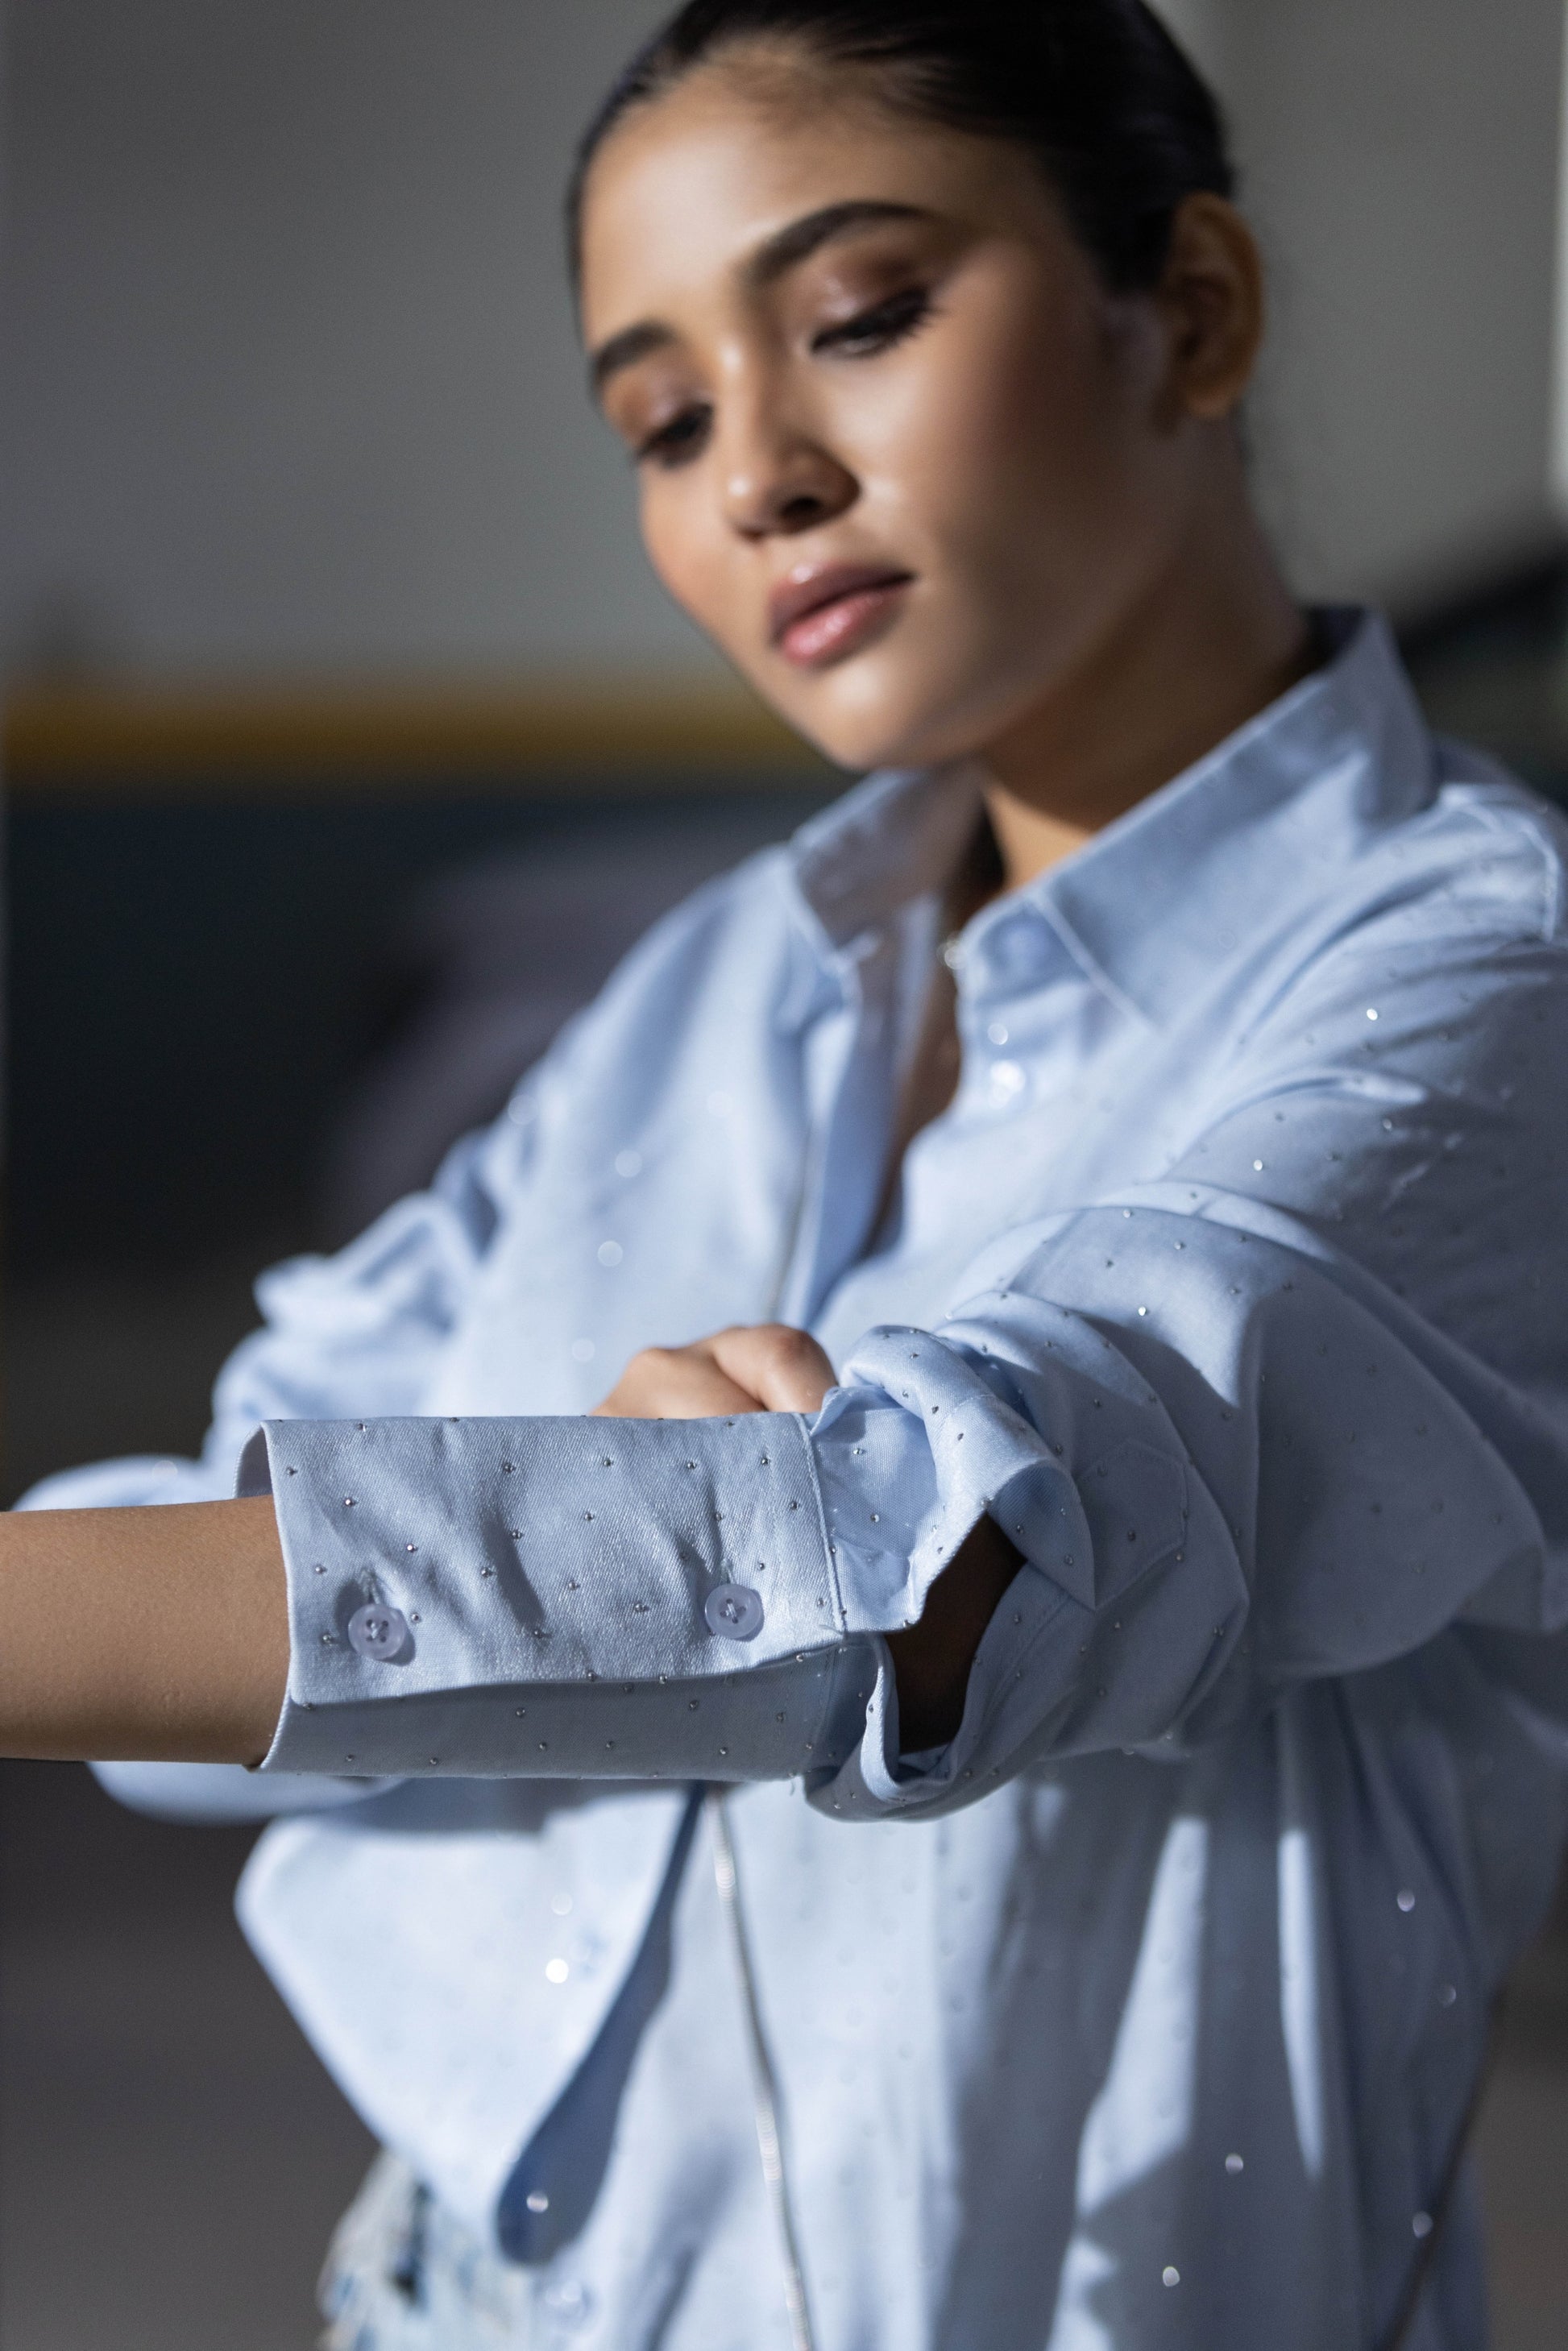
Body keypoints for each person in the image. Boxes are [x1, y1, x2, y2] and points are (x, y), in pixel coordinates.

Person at [8, 2, 1568, 2342]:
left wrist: (643, 1541)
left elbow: (948, 1557)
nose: (755, 475)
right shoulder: (724, 981)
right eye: (661, 422)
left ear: (1192, 306)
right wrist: (497, 1550)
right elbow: (268, 1474)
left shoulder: (1479, 978)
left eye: (858, 315)